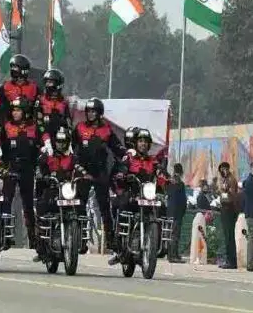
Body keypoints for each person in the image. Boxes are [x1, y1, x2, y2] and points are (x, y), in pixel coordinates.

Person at [73, 98, 125, 251]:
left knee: (104, 207)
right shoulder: (79, 128)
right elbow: (71, 146)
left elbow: (116, 147)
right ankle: (81, 239)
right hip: (82, 171)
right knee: (79, 205)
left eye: (93, 111)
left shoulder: (107, 130)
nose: (90, 114)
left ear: (99, 113)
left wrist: (127, 153)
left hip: (100, 173)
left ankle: (111, 241)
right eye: (88, 111)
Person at [108, 128, 166, 264]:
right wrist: (123, 175)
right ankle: (119, 243)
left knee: (162, 208)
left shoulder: (153, 161)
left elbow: (161, 173)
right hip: (133, 195)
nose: (143, 144)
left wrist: (166, 178)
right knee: (122, 207)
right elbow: (121, 169)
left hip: (149, 197)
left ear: (149, 144)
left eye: (145, 142)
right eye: (140, 141)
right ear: (136, 143)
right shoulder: (129, 158)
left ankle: (160, 246)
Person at [35, 126, 86, 259]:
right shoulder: (47, 156)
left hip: (68, 191)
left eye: (64, 142)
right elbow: (39, 168)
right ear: (54, 142)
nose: (61, 144)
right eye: (58, 141)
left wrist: (83, 174)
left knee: (81, 208)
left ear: (68, 142)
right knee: (42, 208)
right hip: (52, 189)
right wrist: (42, 176)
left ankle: (81, 240)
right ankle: (41, 244)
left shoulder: (73, 158)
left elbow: (79, 168)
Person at [1, 96, 40, 249]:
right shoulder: (7, 127)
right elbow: (1, 148)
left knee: (28, 204)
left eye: (18, 110)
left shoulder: (33, 128)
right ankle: (4, 235)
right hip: (11, 167)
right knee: (6, 201)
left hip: (28, 168)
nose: (15, 113)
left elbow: (39, 148)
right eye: (14, 110)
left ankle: (33, 238)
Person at [37, 69, 72, 156]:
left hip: (59, 140)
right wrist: (46, 140)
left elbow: (68, 122)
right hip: (42, 139)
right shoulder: (41, 100)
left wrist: (69, 141)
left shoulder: (63, 102)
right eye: (47, 82)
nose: (47, 85)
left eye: (50, 82)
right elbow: (38, 121)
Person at [216, 161, 240, 269]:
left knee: (230, 236)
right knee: (226, 236)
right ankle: (228, 259)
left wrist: (227, 189)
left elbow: (233, 194)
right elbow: (219, 191)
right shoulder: (223, 179)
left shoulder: (231, 179)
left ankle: (232, 261)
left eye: (224, 169)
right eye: (221, 169)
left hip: (230, 208)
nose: (223, 171)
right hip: (223, 207)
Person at [0, 55, 39, 120]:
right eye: (13, 68)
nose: (20, 80)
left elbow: (38, 103)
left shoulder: (33, 86)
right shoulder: (6, 86)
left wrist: (28, 103)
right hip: (10, 121)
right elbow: (0, 105)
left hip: (29, 121)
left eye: (15, 67)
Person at [166, 163, 187, 263]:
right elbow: (181, 200)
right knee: (175, 234)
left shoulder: (170, 182)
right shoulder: (179, 184)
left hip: (170, 212)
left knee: (171, 233)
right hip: (177, 213)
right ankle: (173, 255)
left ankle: (172, 254)